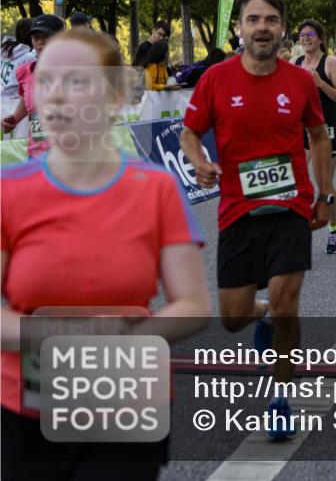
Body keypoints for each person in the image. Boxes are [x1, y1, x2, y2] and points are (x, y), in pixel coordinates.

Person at [1, 28, 210, 480]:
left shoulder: (156, 189)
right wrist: (52, 336)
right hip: (24, 409)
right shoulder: (8, 193)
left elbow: (193, 304)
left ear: (115, 98)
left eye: (76, 81)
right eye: (47, 81)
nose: (55, 96)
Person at [180, 0, 334, 440]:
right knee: (231, 316)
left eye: (270, 19)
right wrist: (198, 161)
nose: (262, 27)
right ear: (240, 28)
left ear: (282, 27)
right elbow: (190, 133)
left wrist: (325, 194)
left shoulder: (301, 81)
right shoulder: (216, 79)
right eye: (253, 20)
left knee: (289, 303)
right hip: (236, 209)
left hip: (289, 205)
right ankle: (261, 313)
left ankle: (279, 398)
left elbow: (320, 138)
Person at [294, 20, 336, 248]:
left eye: (310, 34)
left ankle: (333, 227)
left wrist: (320, 84)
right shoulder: (295, 63)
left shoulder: (331, 62)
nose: (305, 38)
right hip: (301, 129)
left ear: (319, 38)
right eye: (302, 35)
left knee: (324, 183)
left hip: (326, 129)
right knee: (294, 179)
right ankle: (296, 230)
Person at [2, 14, 64, 157]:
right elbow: (26, 96)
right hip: (36, 152)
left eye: (46, 37)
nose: (40, 42)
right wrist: (15, 119)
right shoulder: (24, 71)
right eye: (36, 38)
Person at [1, 19, 35, 138]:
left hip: (3, 101)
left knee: (6, 143)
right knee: (19, 144)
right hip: (17, 105)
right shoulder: (28, 57)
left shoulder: (5, 50)